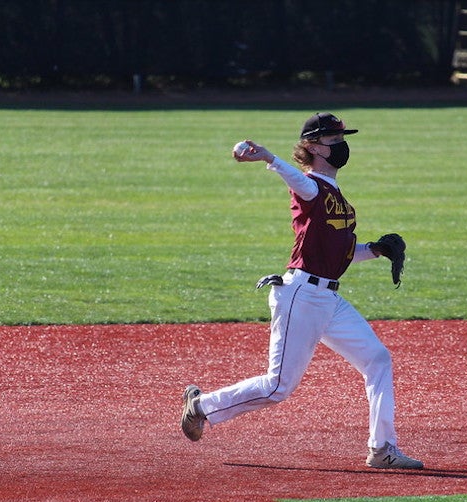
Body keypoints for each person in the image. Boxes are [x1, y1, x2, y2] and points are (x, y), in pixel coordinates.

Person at [180, 112, 423, 469]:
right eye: (333, 140)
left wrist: (376, 250)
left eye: (342, 138)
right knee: (279, 387)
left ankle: (382, 448)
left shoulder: (337, 195)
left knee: (378, 359)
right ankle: (200, 406)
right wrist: (269, 158)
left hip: (327, 299)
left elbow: (337, 255)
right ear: (311, 146)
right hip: (301, 296)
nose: (341, 145)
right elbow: (298, 181)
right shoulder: (310, 186)